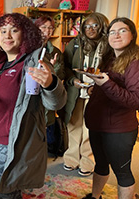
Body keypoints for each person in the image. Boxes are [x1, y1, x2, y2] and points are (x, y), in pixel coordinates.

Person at [0, 13, 67, 198]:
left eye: (14, 30)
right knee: (5, 185)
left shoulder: (34, 64)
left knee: (4, 189)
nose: (7, 36)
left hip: (12, 141)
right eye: (2, 31)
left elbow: (56, 103)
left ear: (25, 35)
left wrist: (51, 83)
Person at [83, 17, 139, 199]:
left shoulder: (135, 62)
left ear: (132, 35)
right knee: (100, 164)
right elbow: (108, 88)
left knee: (122, 172)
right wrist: (95, 88)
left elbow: (135, 100)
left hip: (119, 129)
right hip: (98, 124)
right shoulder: (109, 58)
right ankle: (95, 197)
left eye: (122, 30)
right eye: (112, 32)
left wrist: (106, 84)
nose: (116, 35)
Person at [61, 12, 109, 176]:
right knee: (74, 125)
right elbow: (64, 66)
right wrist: (72, 80)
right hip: (76, 91)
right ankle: (71, 159)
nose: (90, 29)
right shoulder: (75, 43)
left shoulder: (108, 45)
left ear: (101, 26)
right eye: (87, 26)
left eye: (95, 25)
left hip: (97, 93)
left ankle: (87, 161)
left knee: (91, 128)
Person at [34, 16, 66, 156]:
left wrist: (52, 68)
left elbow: (62, 74)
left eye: (50, 28)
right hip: (33, 94)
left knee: (46, 127)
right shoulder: (30, 49)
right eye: (43, 27)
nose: (47, 31)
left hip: (49, 95)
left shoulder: (55, 52)